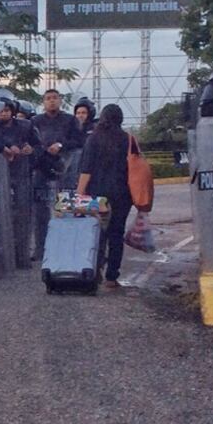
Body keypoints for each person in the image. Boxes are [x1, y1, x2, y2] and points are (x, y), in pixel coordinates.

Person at [77, 104, 132, 289]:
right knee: (117, 233)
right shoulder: (127, 139)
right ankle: (112, 277)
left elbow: (86, 170)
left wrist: (79, 194)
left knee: (96, 232)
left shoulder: (93, 139)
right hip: (123, 194)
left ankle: (95, 271)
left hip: (98, 194)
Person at [31, 88, 84, 188]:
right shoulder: (35, 120)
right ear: (43, 102)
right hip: (41, 164)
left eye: (55, 98)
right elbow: (32, 141)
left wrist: (60, 145)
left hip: (66, 164)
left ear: (60, 101)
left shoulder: (71, 119)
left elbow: (78, 141)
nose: (52, 101)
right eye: (48, 98)